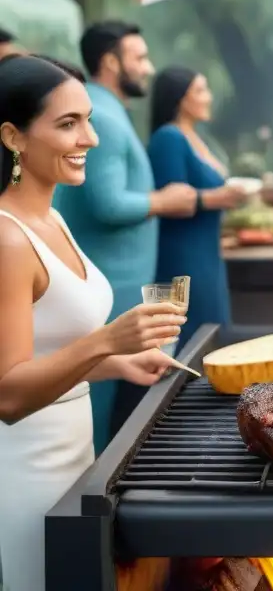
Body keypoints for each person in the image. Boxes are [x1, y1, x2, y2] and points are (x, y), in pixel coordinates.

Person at [0, 54, 185, 591]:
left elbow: (46, 351)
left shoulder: (52, 216)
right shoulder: (9, 239)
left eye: (88, 120)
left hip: (73, 460)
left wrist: (119, 362)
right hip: (25, 473)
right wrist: (107, 339)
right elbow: (9, 393)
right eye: (67, 124)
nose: (90, 139)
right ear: (13, 137)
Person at [54, 21, 197, 453]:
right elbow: (108, 204)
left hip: (112, 285)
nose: (149, 68)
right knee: (92, 411)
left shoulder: (108, 112)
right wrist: (165, 200)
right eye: (140, 58)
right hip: (106, 289)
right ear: (111, 62)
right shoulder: (104, 119)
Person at [148, 67, 247, 348]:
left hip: (207, 255)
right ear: (181, 99)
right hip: (180, 261)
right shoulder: (168, 138)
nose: (209, 97)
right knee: (189, 340)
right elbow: (172, 202)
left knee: (213, 335)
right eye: (201, 90)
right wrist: (220, 197)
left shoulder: (196, 136)